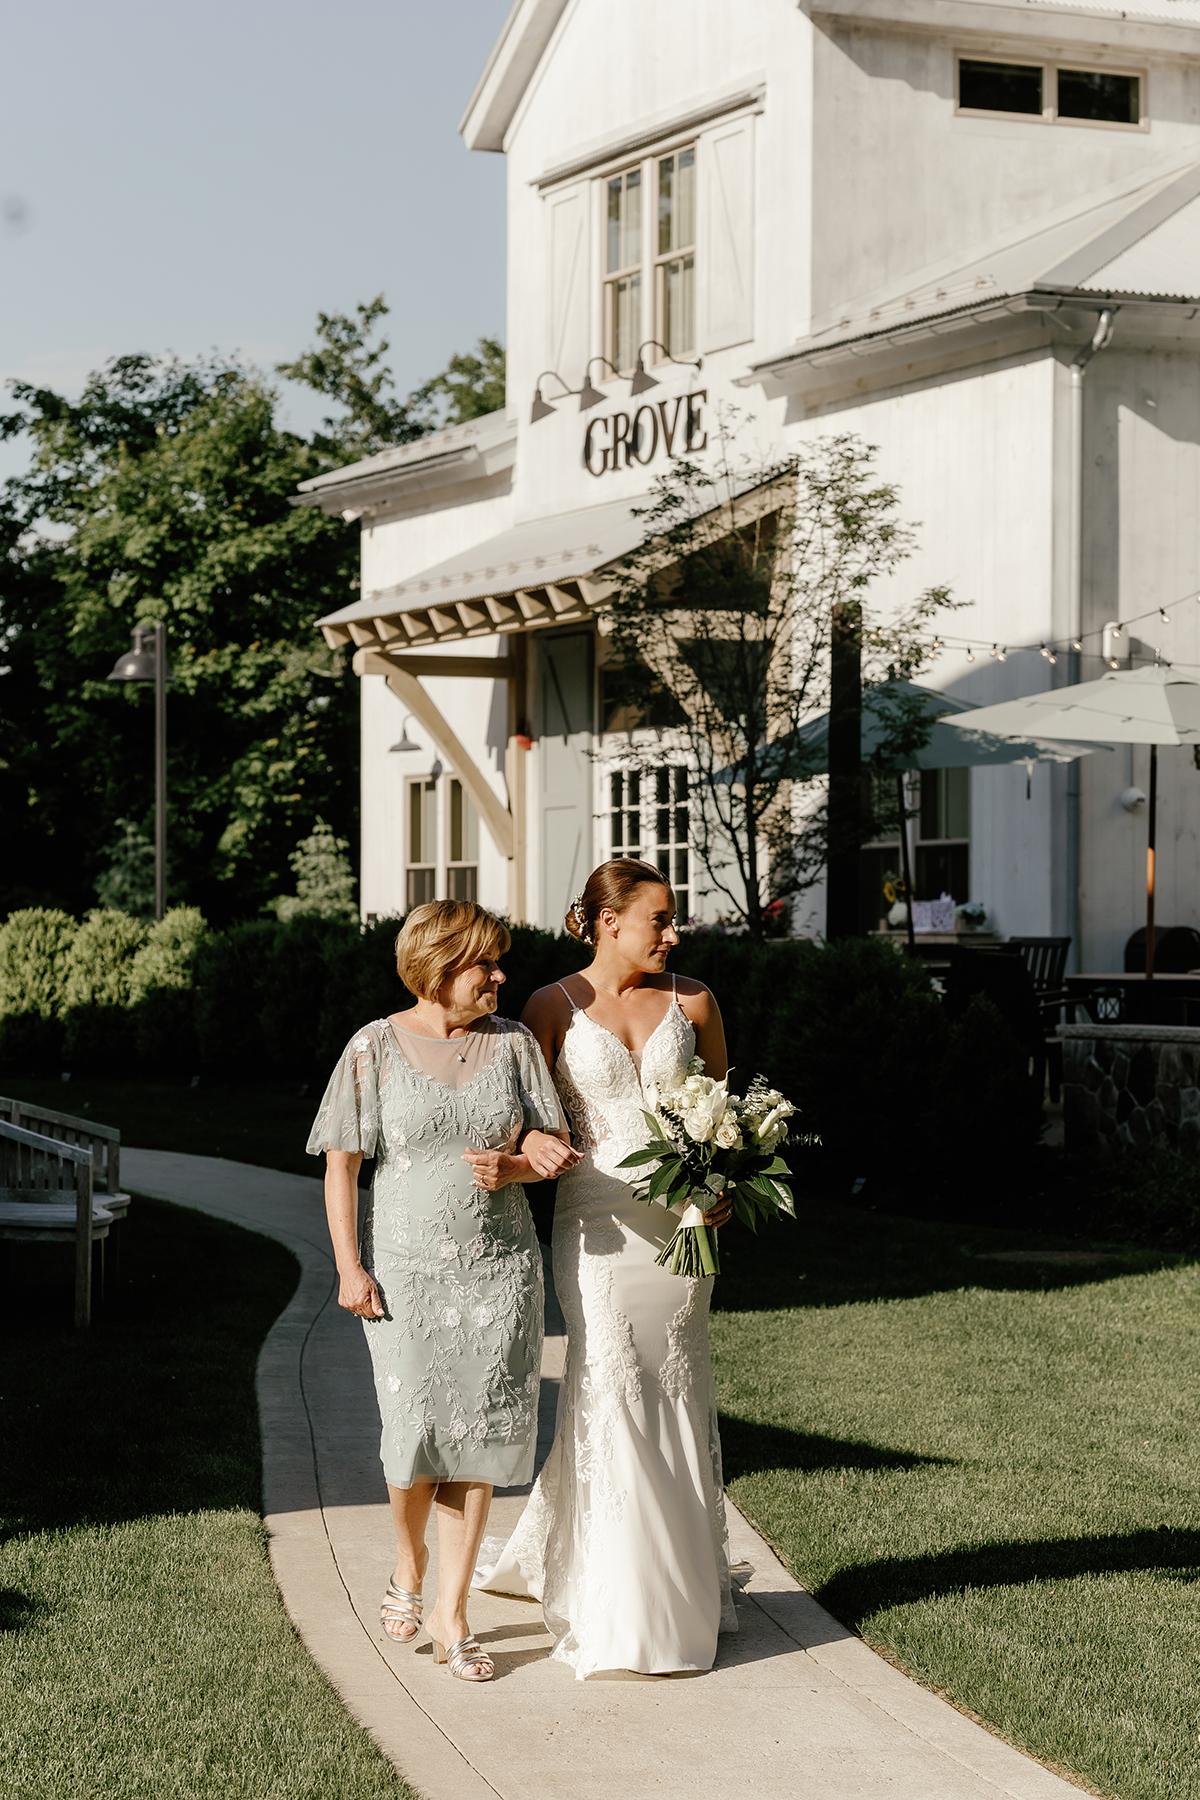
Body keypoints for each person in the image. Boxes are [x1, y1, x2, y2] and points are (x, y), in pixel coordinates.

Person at [477, 858, 737, 1678]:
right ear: (605, 921)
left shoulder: (695, 1002)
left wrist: (720, 1189)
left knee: (675, 1389)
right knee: (610, 1382)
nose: (673, 933)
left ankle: (681, 1582)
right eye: (658, 918)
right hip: (592, 1229)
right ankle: (620, 1604)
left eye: (673, 919)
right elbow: (516, 1121)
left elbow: (725, 1117)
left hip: (679, 1232)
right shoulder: (548, 1008)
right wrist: (529, 1146)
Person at [307, 899, 578, 1683]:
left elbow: (548, 1136)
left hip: (500, 1274)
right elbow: (342, 1165)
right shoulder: (374, 1048)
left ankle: (453, 1615)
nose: (499, 977)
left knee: (480, 1445)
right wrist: (348, 1266)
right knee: (415, 1441)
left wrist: (524, 1159)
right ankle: (407, 1558)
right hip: (405, 1273)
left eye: (499, 963)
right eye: (483, 964)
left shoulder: (516, 1044)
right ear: (437, 966)